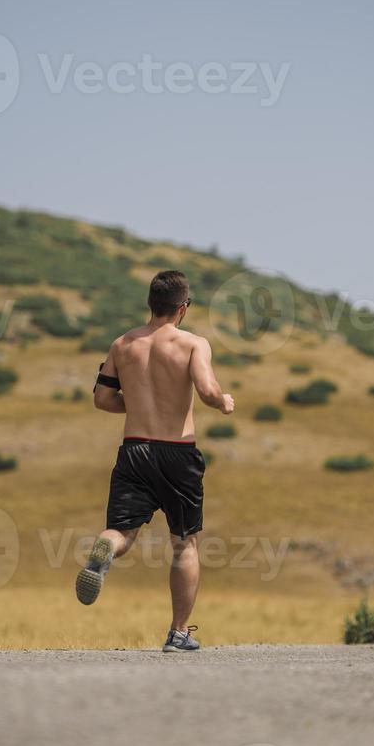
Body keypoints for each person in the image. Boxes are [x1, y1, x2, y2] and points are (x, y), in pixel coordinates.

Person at [75, 269, 235, 652]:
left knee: (122, 531)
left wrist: (140, 402)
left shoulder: (122, 345)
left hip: (134, 450)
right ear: (184, 307)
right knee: (185, 545)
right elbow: (208, 389)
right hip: (177, 452)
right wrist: (223, 402)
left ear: (150, 304)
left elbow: (101, 399)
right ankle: (178, 633)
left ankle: (104, 550)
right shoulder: (193, 344)